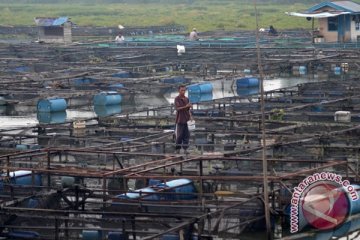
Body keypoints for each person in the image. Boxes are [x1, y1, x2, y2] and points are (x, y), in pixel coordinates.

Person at [174, 85, 193, 154]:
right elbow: (178, 108)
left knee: (186, 135)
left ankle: (185, 149)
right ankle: (177, 149)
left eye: (184, 90)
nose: (183, 92)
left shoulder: (186, 99)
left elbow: (188, 110)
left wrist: (190, 116)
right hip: (180, 119)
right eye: (182, 90)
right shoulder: (177, 99)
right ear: (179, 91)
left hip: (186, 119)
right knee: (179, 136)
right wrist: (186, 106)